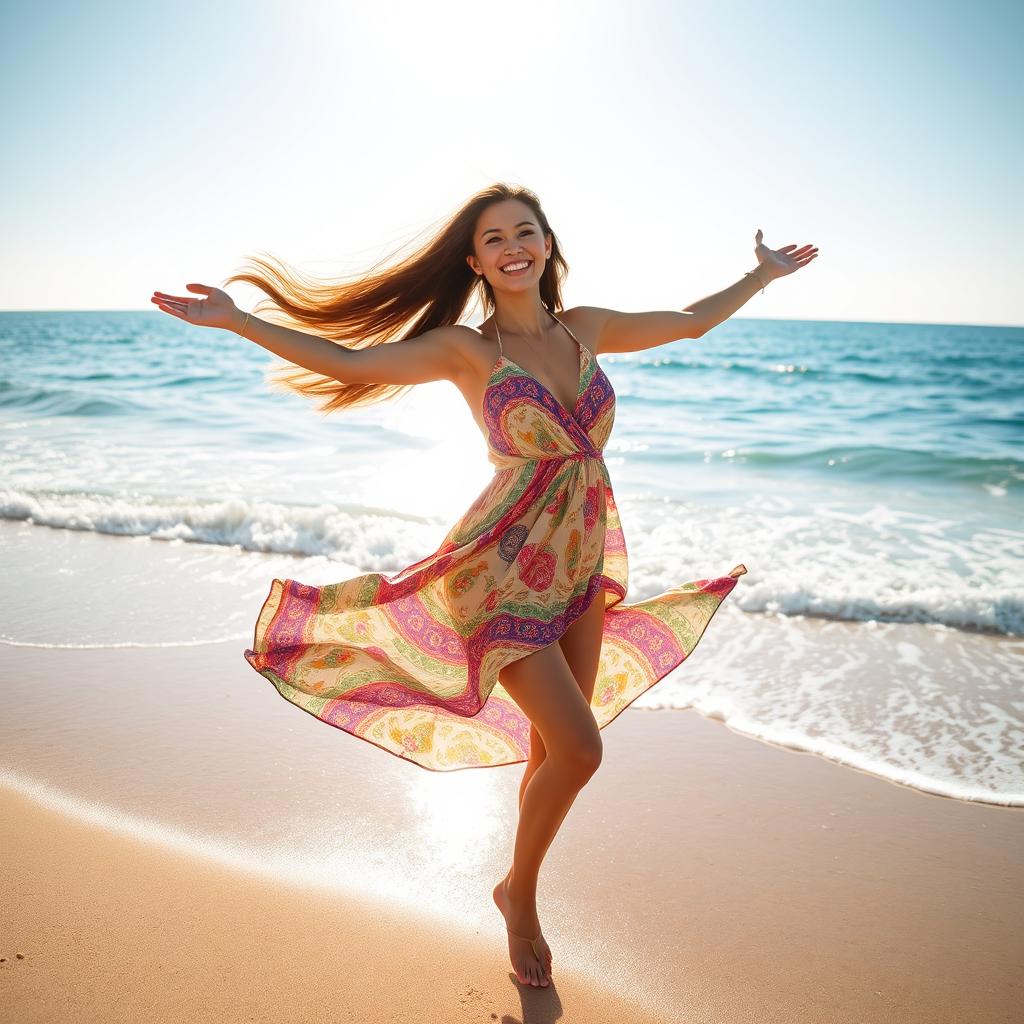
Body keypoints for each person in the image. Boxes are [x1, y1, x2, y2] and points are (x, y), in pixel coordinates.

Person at [151, 182, 817, 989]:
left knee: (551, 749)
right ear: (476, 261)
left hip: (577, 562)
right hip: (497, 571)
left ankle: (515, 886)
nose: (513, 247)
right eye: (495, 238)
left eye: (525, 232)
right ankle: (520, 896)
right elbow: (350, 363)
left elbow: (687, 321)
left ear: (547, 244)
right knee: (581, 748)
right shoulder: (468, 351)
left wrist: (761, 277)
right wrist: (238, 320)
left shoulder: (588, 329)